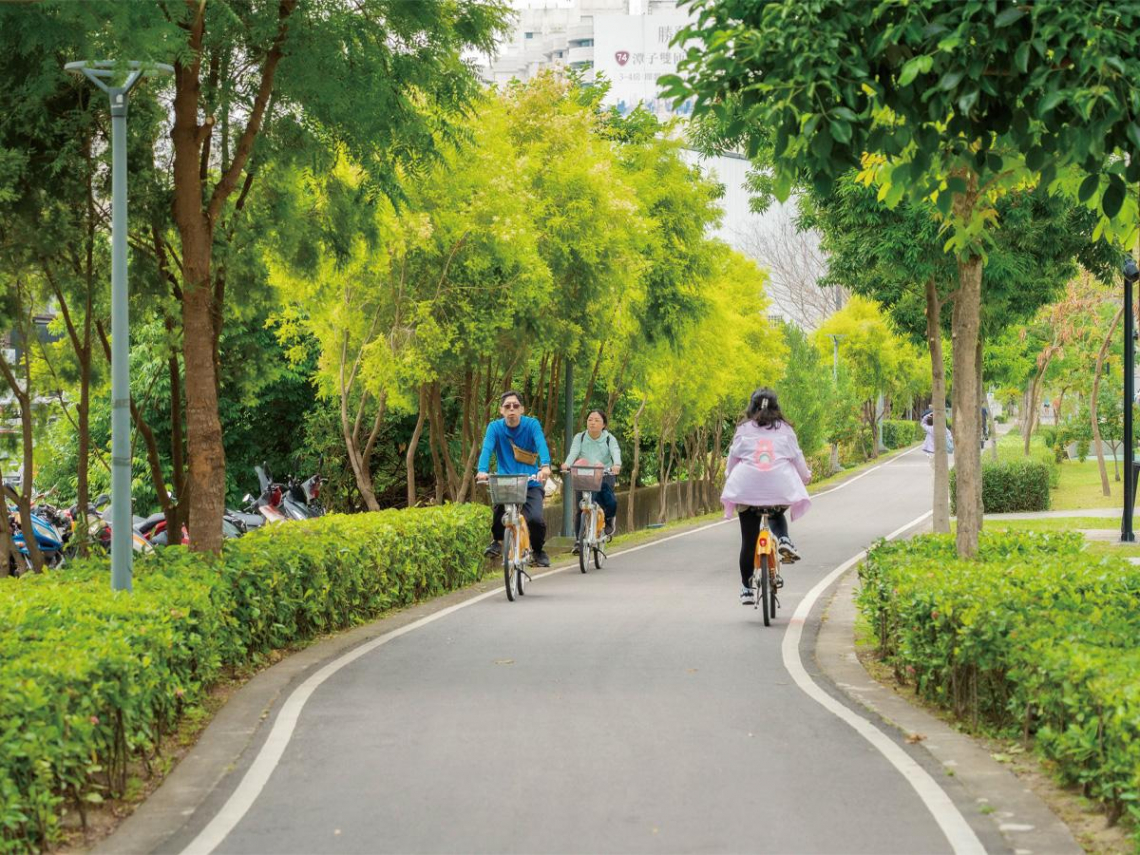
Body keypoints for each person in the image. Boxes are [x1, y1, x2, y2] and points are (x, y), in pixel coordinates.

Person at [721, 388, 811, 606]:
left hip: (747, 491)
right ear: (776, 407)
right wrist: (806, 477)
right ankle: (784, 539)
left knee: (748, 542)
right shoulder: (786, 430)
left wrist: (729, 474)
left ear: (751, 407)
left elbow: (732, 460)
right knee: (776, 509)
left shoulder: (743, 429)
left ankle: (746, 589)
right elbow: (797, 458)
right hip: (778, 488)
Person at [476, 390, 553, 567]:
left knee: (535, 519)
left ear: (522, 409)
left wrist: (546, 466)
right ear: (501, 410)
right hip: (505, 482)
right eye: (507, 406)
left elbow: (540, 442)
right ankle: (497, 541)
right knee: (498, 511)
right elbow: (487, 448)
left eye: (516, 406)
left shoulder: (532, 425)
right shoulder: (494, 428)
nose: (512, 409)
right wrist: (482, 470)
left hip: (531, 481)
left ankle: (538, 551)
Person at [560, 409, 622, 552]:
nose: (592, 423)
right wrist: (567, 464)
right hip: (584, 475)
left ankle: (608, 521)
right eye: (590, 420)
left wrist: (616, 465)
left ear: (604, 425)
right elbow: (573, 452)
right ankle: (578, 541)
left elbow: (615, 452)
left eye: (596, 420)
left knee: (610, 502)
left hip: (604, 474)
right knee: (581, 508)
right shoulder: (580, 437)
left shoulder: (609, 438)